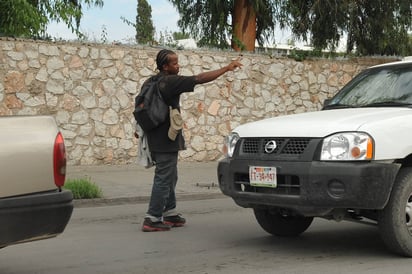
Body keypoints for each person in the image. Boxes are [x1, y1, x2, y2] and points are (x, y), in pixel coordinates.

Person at [141, 49, 242, 232]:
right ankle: (152, 217)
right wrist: (227, 68)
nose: (178, 66)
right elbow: (200, 78)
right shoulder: (171, 81)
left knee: (170, 174)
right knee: (164, 176)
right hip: (166, 138)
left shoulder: (150, 81)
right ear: (165, 66)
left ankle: (169, 212)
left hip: (154, 135)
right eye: (174, 63)